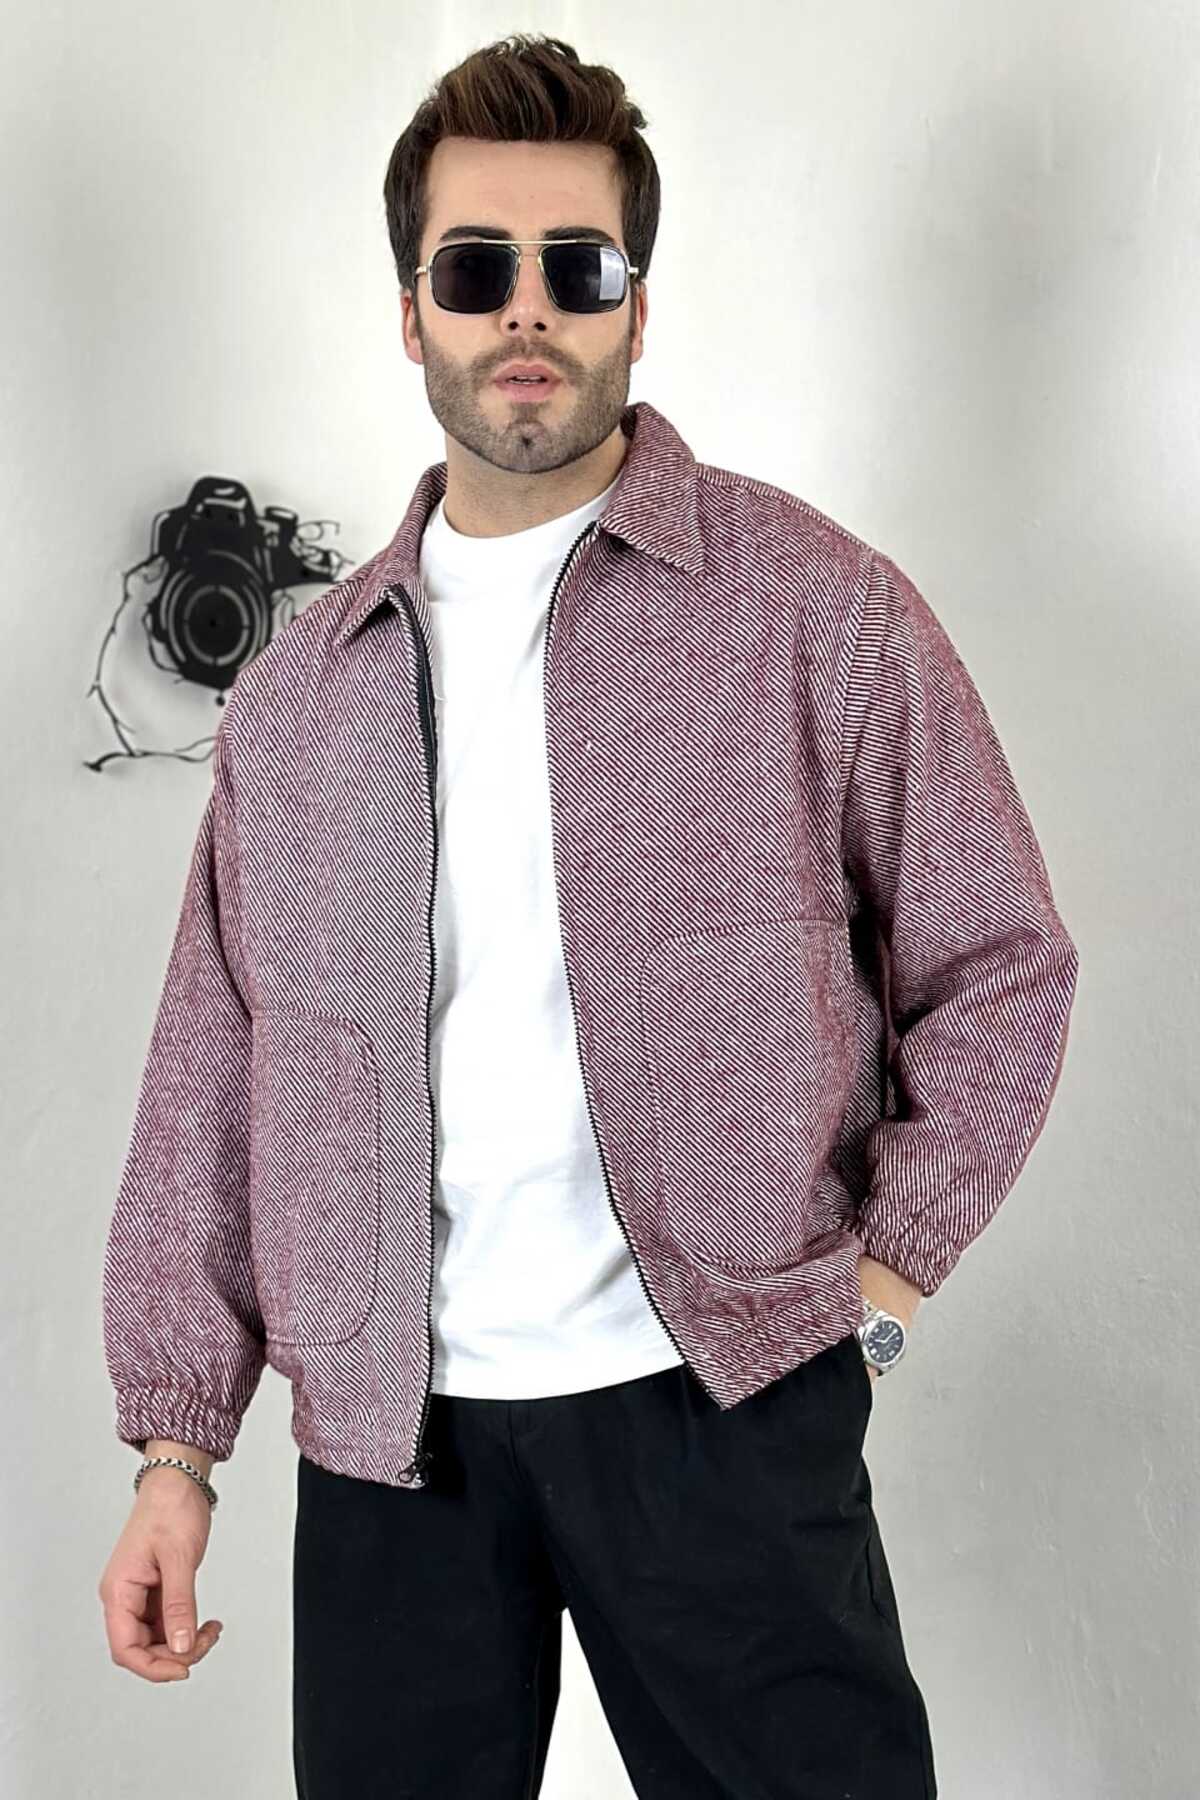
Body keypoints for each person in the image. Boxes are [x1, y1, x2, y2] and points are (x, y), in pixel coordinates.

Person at [97, 31, 1079, 1799]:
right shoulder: (300, 700)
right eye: (478, 269)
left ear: (639, 302)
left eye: (579, 266)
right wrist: (178, 1451)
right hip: (390, 1447)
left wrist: (873, 1294)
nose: (528, 310)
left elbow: (1000, 961)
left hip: (724, 1408)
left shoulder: (816, 612)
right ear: (413, 314)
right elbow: (209, 1084)